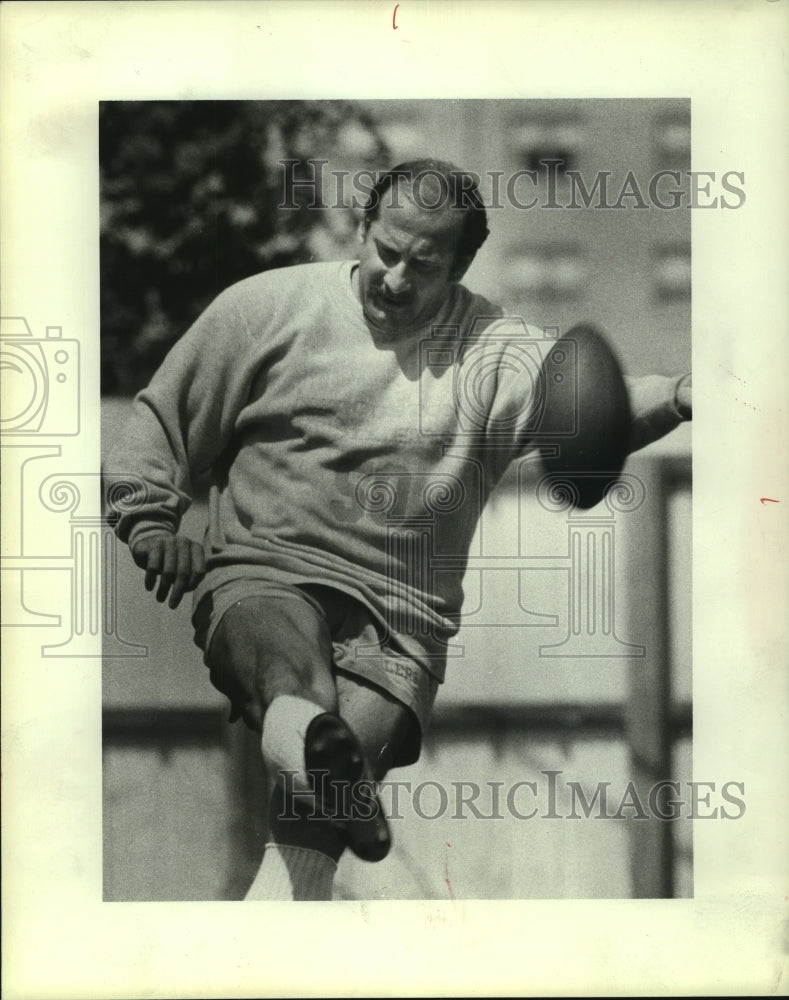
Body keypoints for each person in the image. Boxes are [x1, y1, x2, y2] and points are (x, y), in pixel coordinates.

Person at [104, 159, 692, 901]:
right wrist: (149, 520)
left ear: (461, 264)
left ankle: (302, 822)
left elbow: (589, 406)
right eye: (386, 250)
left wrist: (677, 395)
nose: (395, 277)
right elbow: (158, 423)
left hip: (403, 622)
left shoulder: (493, 351)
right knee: (294, 683)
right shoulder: (265, 311)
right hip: (270, 573)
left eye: (423, 263)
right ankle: (312, 739)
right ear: (362, 229)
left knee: (306, 840)